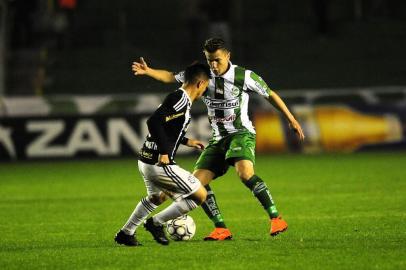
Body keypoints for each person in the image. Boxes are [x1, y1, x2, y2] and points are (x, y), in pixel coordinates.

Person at [131, 38, 305, 240]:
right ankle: (221, 228)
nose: (213, 65)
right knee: (196, 185)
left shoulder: (244, 76)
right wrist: (149, 71)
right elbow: (170, 77)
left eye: (217, 60)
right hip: (218, 139)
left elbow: (270, 94)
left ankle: (276, 218)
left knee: (245, 174)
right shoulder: (203, 76)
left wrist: (291, 119)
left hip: (241, 133)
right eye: (209, 60)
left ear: (228, 56)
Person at [115, 63, 211, 246]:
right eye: (206, 86)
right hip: (159, 164)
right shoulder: (180, 100)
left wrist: (186, 141)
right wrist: (165, 153)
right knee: (199, 195)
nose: (204, 92)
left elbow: (167, 126)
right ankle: (156, 223)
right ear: (200, 83)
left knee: (156, 198)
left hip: (145, 160)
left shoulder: (178, 98)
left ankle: (126, 233)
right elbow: (153, 122)